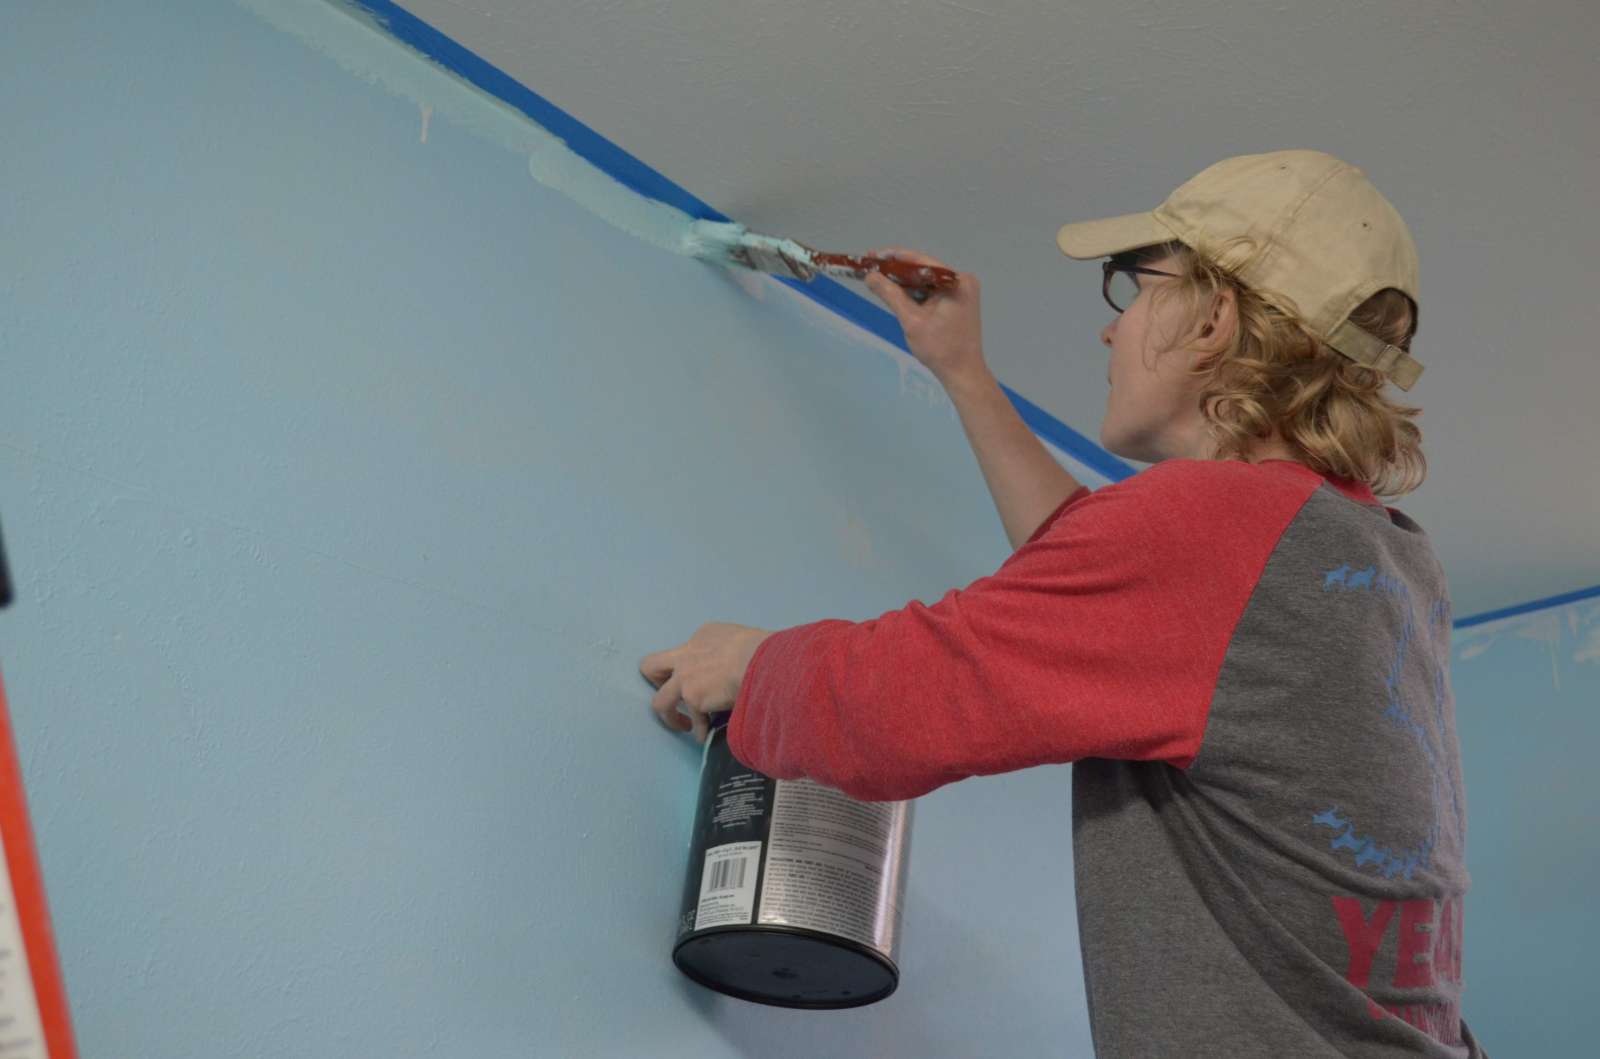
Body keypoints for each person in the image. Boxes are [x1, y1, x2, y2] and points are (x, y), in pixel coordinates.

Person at [640, 149, 1484, 1057]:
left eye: (1134, 286)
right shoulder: (1379, 552)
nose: (1109, 332)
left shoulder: (1213, 525)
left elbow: (919, 693)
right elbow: (1105, 604)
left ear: (1214, 317)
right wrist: (962, 370)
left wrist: (752, 670)